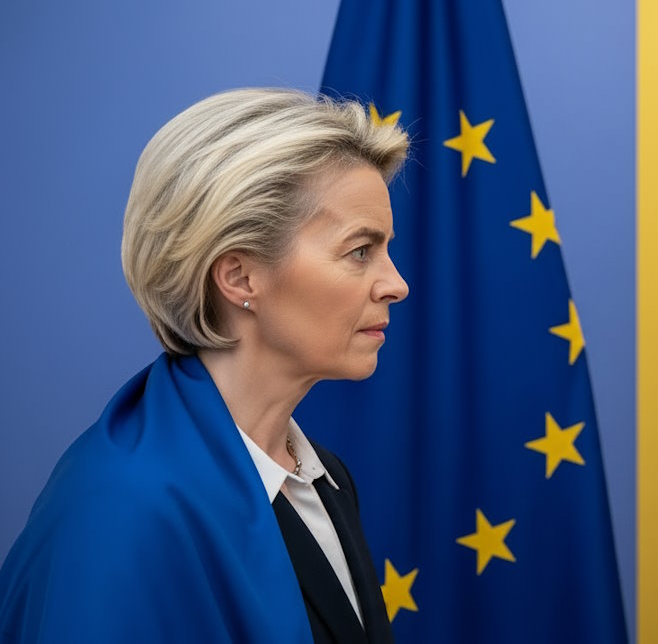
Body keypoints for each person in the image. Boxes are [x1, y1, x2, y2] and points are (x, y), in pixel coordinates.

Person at [0, 88, 410, 643]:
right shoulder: (118, 512)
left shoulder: (325, 479)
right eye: (360, 251)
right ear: (239, 277)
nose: (396, 284)